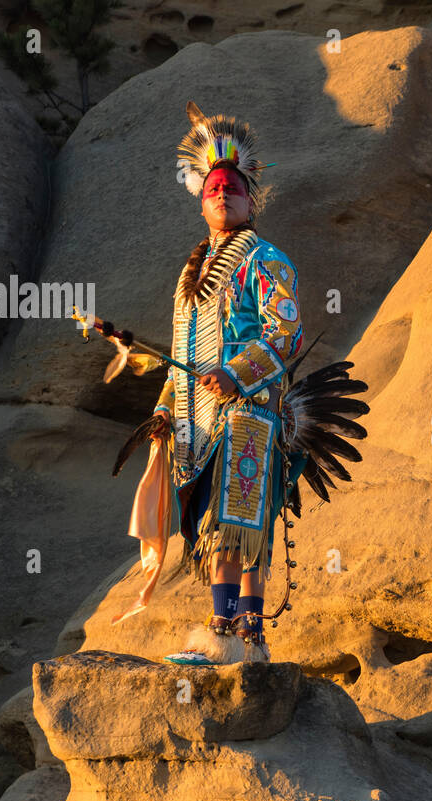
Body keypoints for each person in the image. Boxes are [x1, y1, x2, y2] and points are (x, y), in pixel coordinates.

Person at [150, 102, 307, 665]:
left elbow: (285, 331)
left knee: (239, 523)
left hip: (249, 413)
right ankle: (229, 631)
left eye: (232, 188)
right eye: (213, 187)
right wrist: (167, 407)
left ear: (250, 199)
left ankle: (239, 635)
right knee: (214, 524)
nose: (222, 194)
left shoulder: (265, 259)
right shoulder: (190, 275)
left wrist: (238, 374)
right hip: (199, 420)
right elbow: (179, 355)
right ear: (200, 200)